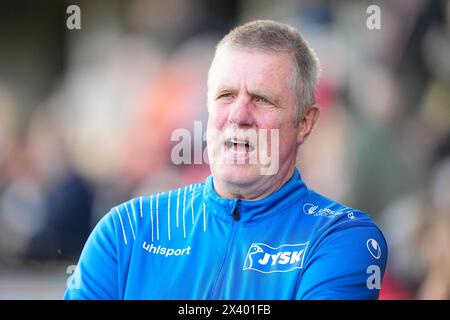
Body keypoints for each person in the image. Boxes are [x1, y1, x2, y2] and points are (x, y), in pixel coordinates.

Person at [64, 20, 387, 300]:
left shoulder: (341, 236)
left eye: (262, 99)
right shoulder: (126, 230)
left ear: (304, 122)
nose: (238, 115)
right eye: (225, 96)